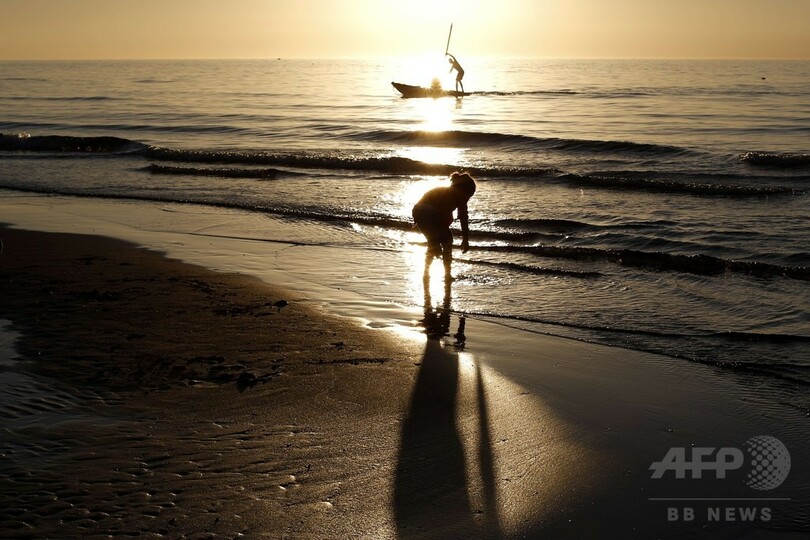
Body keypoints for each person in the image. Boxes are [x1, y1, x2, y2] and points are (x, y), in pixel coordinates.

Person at [412, 171, 476, 274]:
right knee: (446, 239)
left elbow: (449, 218)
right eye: (467, 195)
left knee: (434, 242)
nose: (467, 199)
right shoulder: (451, 196)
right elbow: (462, 218)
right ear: (461, 190)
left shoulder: (450, 194)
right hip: (426, 214)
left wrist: (465, 239)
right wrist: (465, 239)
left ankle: (427, 270)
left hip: (419, 212)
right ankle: (447, 271)